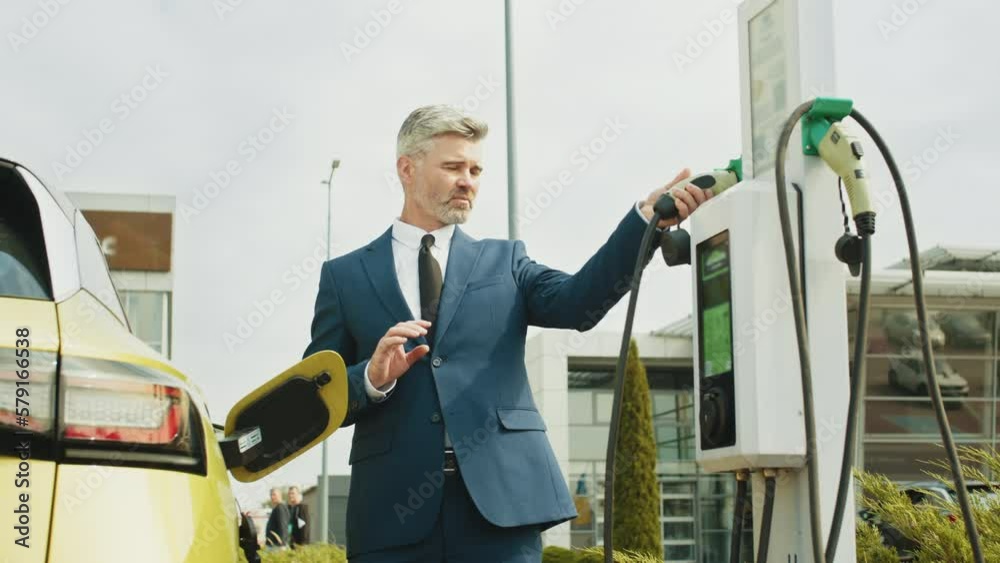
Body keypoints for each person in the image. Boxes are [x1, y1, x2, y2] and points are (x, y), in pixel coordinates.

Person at [303, 104, 712, 562]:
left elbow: (579, 303)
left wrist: (643, 222)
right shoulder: (344, 277)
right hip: (391, 516)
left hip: (502, 511)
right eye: (453, 167)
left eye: (475, 170)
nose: (468, 181)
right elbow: (313, 401)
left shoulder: (506, 261)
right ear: (407, 169)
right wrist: (370, 379)